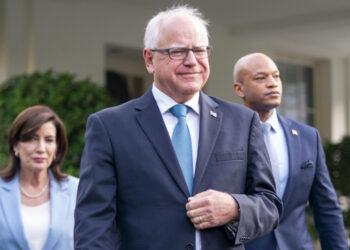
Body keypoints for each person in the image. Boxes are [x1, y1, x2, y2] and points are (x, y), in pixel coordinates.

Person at [74, 6, 282, 250]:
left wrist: (234, 207)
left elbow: (270, 206)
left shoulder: (242, 121)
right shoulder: (109, 127)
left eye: (199, 50)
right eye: (178, 51)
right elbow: (94, 222)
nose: (192, 61)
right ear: (150, 59)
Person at [233, 53, 348, 250]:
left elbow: (326, 207)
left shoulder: (307, 136)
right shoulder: (225, 135)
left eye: (276, 76)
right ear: (240, 89)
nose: (272, 83)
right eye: (261, 78)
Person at [0, 105, 79, 250]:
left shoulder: (77, 190)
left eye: (49, 140)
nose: (41, 148)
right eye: (32, 139)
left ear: (57, 148)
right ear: (15, 145)